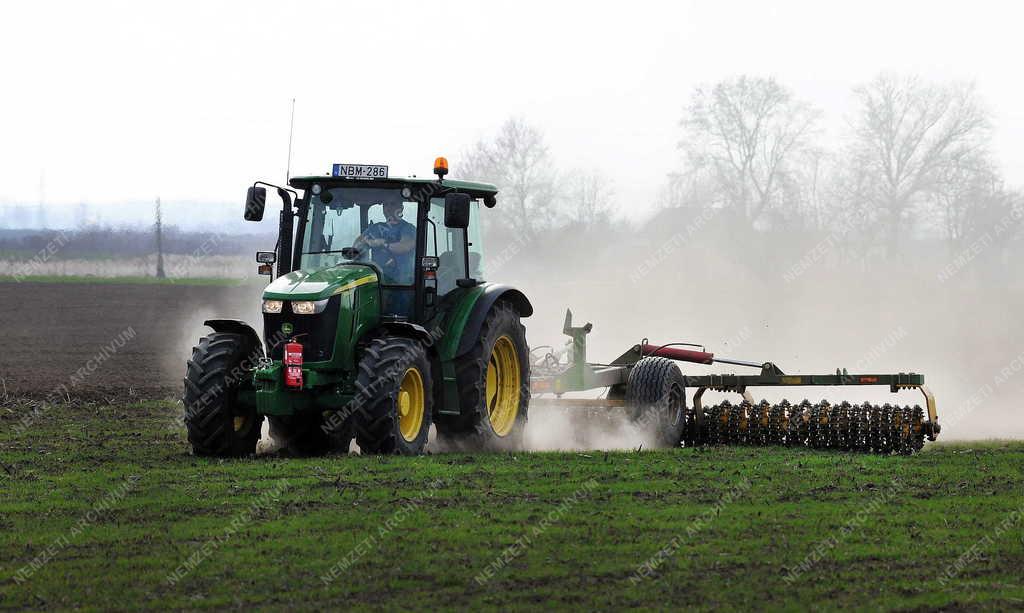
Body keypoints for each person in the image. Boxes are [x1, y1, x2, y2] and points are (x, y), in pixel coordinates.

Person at [353, 201, 416, 285]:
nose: (388, 208)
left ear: (401, 208)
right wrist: (367, 261)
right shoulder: (376, 228)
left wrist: (383, 243)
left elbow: (404, 247)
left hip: (404, 284)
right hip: (378, 282)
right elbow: (356, 246)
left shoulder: (408, 228)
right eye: (385, 205)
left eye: (392, 204)